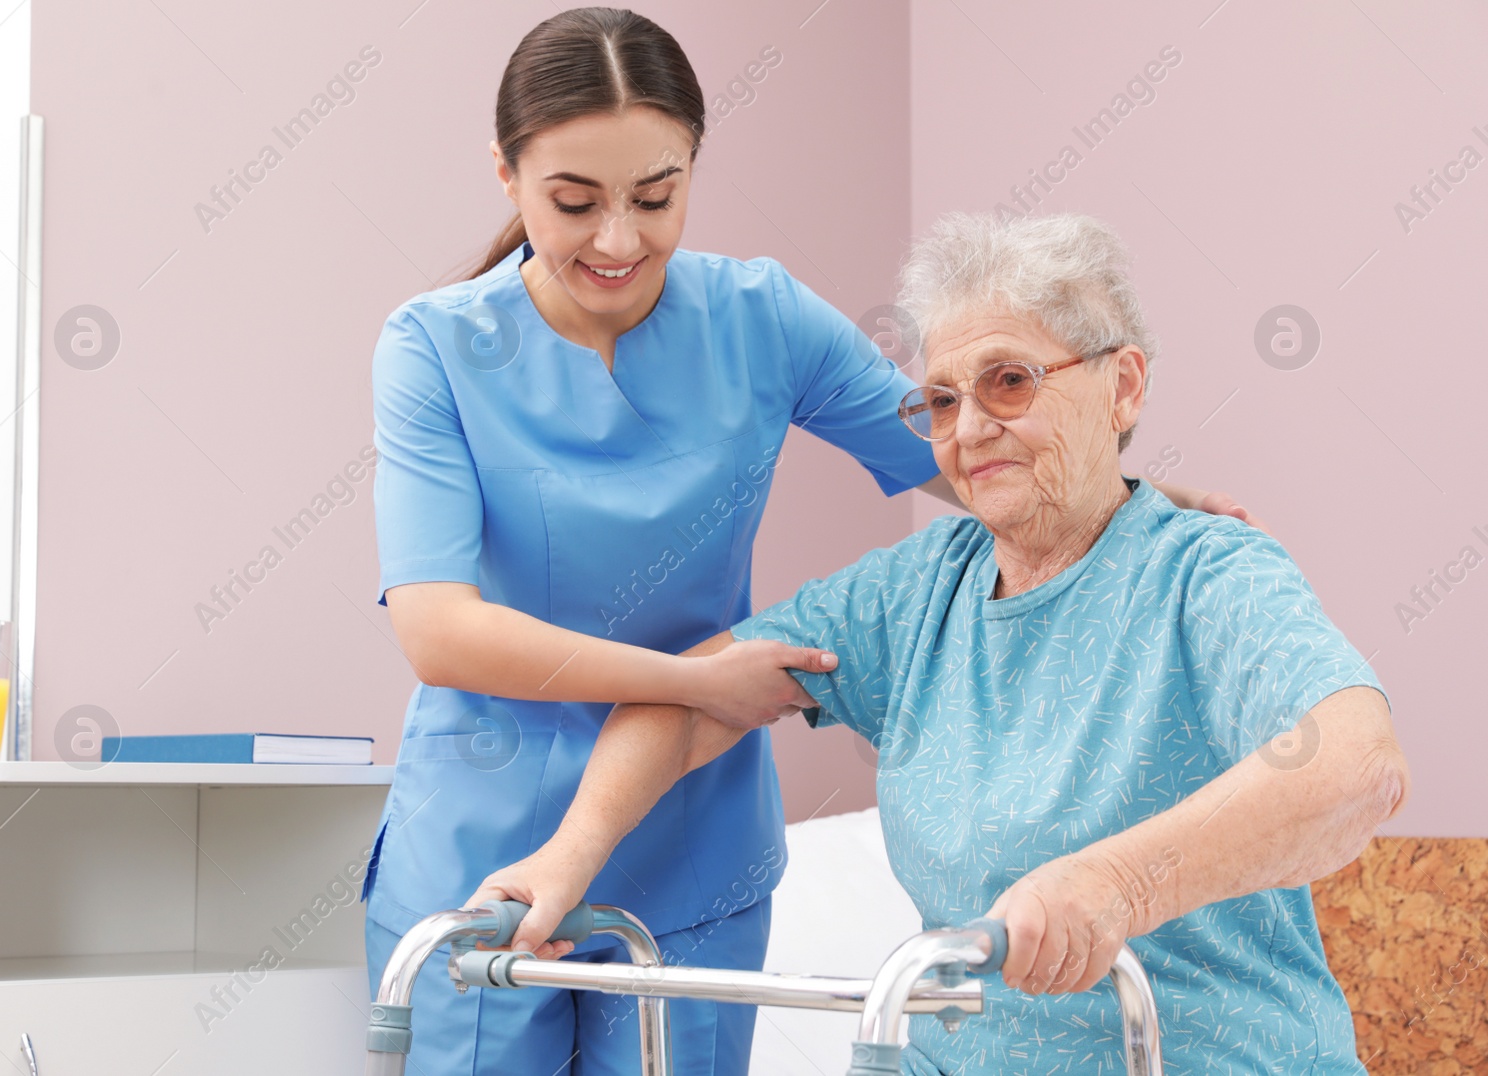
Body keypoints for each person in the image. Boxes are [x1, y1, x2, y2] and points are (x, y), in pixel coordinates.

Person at [469, 211, 1410, 1074]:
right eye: (942, 401)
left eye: (1009, 381)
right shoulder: (918, 588)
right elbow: (693, 698)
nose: (969, 430)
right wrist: (566, 858)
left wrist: (1121, 884)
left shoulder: (1207, 577)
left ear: (1122, 386)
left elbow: (1358, 767)